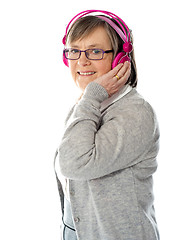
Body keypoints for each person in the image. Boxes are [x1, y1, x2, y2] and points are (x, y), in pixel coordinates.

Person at [54, 10, 160, 240]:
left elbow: (73, 163)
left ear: (121, 57)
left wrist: (92, 95)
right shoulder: (88, 104)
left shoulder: (135, 112)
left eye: (95, 51)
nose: (82, 61)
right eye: (74, 51)